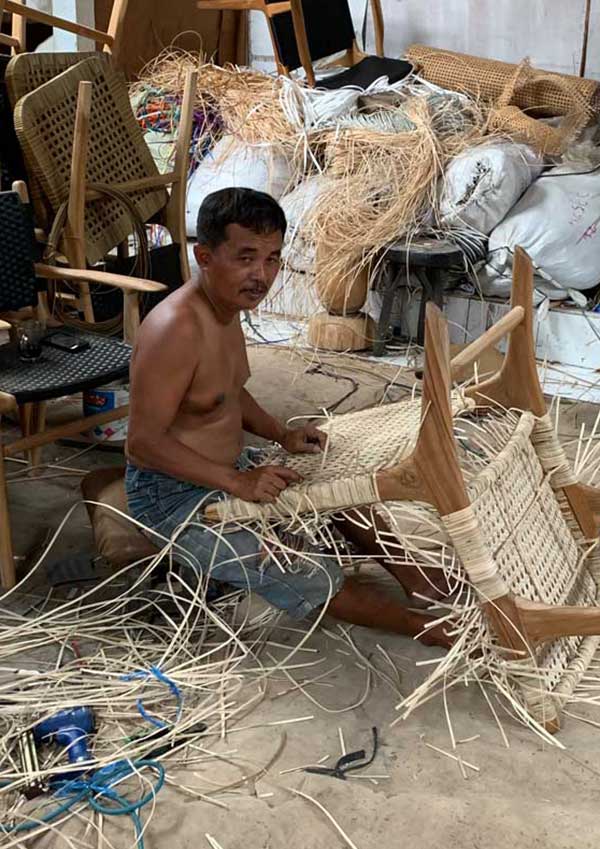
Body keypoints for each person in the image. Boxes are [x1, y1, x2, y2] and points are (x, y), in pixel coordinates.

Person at [125, 187, 449, 647]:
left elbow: (227, 394)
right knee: (295, 564)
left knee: (342, 487)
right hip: (172, 499)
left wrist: (281, 434)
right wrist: (237, 483)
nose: (262, 275)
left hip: (228, 470)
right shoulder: (174, 329)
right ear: (205, 256)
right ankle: (434, 630)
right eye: (246, 257)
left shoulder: (228, 306)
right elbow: (141, 444)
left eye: (273, 259)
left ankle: (426, 583)